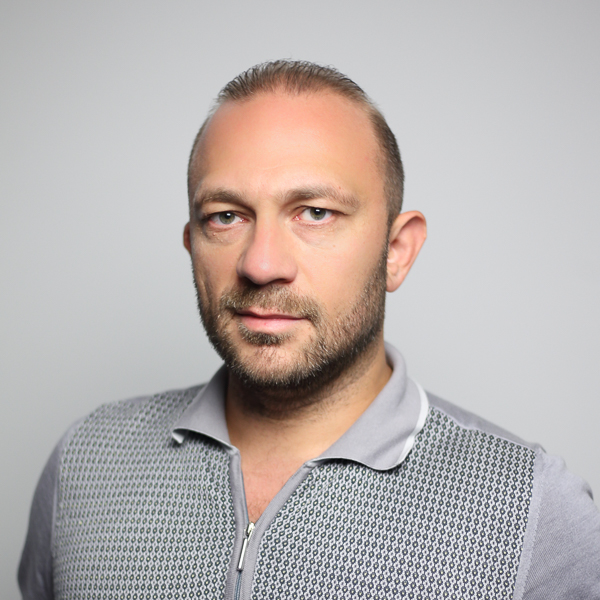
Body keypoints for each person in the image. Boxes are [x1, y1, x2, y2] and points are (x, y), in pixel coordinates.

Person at [19, 60, 600, 600]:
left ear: (396, 251)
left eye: (316, 213)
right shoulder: (85, 463)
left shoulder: (533, 510)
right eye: (226, 216)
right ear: (192, 244)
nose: (261, 264)